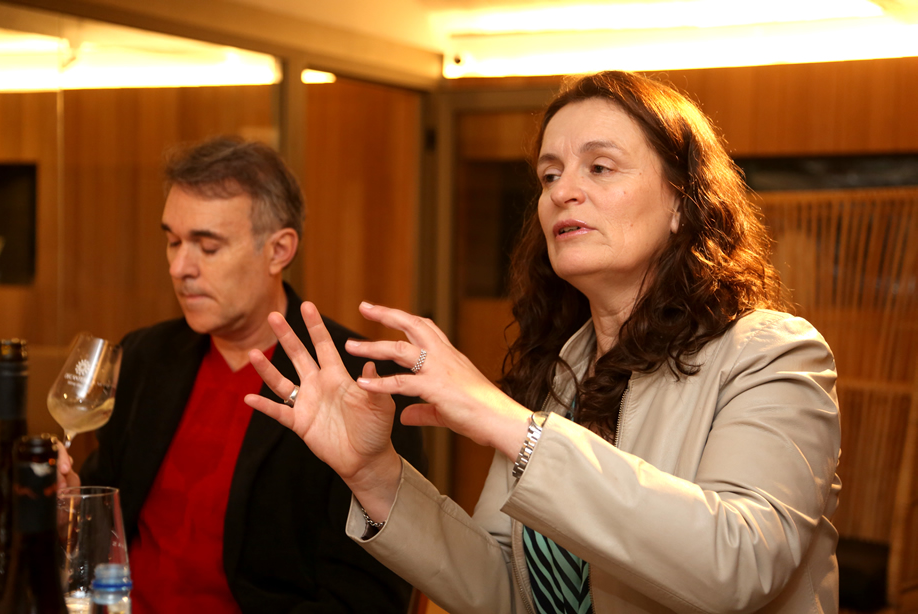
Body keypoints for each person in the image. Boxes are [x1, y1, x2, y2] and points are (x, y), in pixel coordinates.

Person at [245, 71, 841, 613]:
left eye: (599, 167)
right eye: (550, 175)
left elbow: (739, 564)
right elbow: (506, 591)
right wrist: (375, 474)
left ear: (682, 203)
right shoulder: (562, 374)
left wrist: (506, 421)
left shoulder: (772, 353)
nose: (562, 191)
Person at [62, 136, 424, 613]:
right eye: (172, 241)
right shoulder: (145, 356)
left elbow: (367, 596)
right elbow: (106, 516)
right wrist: (70, 505)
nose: (179, 267)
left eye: (207, 246)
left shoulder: (362, 382)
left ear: (279, 250)